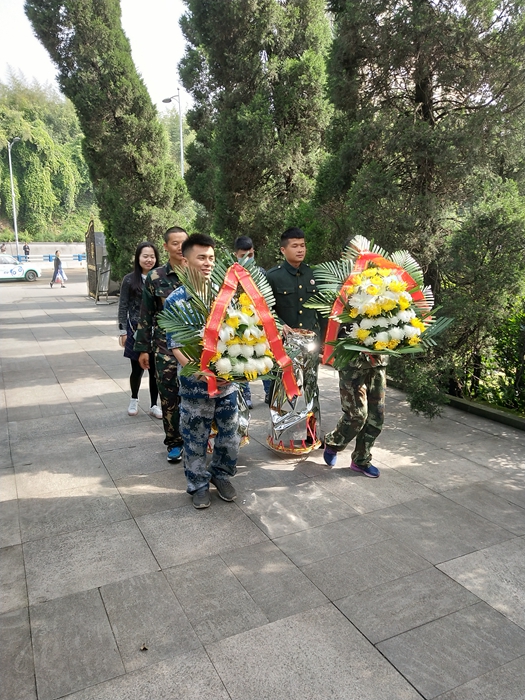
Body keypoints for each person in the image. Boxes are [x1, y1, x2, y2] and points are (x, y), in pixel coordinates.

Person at [165, 233, 240, 509]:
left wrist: (234, 369)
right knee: (195, 437)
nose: (208, 263)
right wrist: (200, 372)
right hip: (196, 385)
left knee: (230, 435)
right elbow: (176, 346)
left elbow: (238, 335)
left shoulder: (226, 295)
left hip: (226, 384)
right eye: (201, 257)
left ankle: (222, 475)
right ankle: (197, 484)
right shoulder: (176, 300)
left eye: (211, 257)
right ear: (185, 261)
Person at [134, 226, 188, 463]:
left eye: (183, 242)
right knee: (169, 395)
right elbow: (146, 314)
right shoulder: (156, 277)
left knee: (199, 394)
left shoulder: (198, 271)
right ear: (165, 247)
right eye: (174, 243)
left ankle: (200, 438)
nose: (180, 247)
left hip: (194, 345)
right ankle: (174, 442)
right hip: (164, 346)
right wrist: (143, 349)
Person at [265, 227, 324, 409]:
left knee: (310, 385)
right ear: (283, 250)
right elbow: (265, 309)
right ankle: (282, 423)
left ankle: (312, 423)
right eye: (295, 246)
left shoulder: (314, 274)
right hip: (284, 344)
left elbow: (322, 309)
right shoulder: (273, 276)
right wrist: (280, 324)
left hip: (310, 343)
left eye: (303, 245)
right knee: (283, 386)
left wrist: (324, 341)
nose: (300, 250)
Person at [322, 353, 386, 478]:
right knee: (357, 415)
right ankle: (334, 443)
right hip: (353, 361)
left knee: (376, 417)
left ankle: (361, 460)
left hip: (378, 361)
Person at [118, 241, 162, 418]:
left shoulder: (160, 278)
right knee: (137, 369)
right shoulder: (129, 280)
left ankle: (154, 404)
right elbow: (123, 306)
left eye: (152, 256)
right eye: (145, 256)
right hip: (135, 330)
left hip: (157, 330)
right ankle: (134, 399)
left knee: (155, 371)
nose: (149, 260)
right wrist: (122, 331)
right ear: (138, 258)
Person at [233, 235, 268, 408]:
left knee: (264, 357)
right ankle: (244, 395)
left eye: (251, 255)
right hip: (238, 323)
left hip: (260, 322)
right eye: (243, 256)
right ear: (236, 255)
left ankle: (270, 392)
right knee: (241, 359)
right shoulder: (230, 274)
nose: (247, 259)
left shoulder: (261, 273)